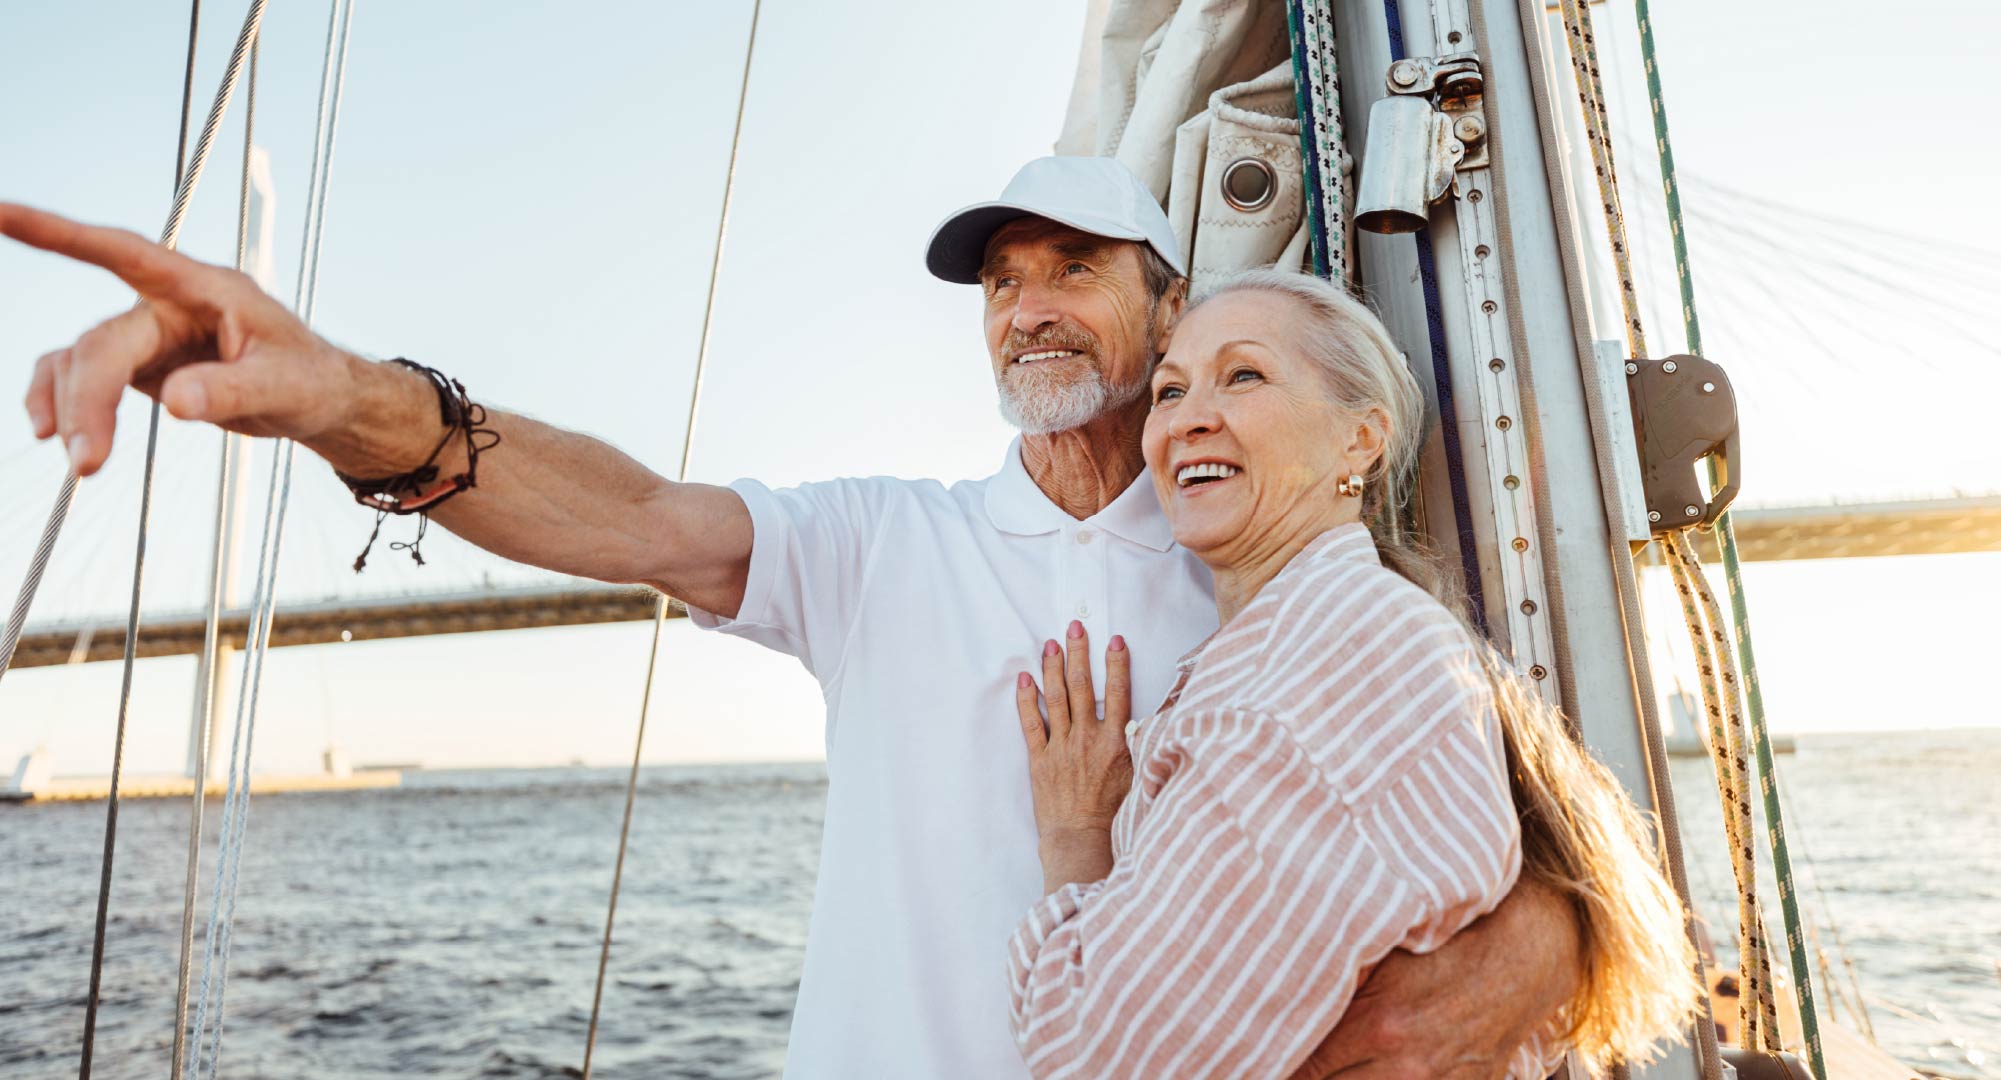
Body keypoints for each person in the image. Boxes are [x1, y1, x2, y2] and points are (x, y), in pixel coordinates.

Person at [3, 157, 1584, 1078]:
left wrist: (1545, 939)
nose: (1027, 305)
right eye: (998, 283)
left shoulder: (1278, 584)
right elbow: (628, 517)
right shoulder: (888, 544)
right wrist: (360, 403)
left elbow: (1499, 830)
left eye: (1074, 268)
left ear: (1167, 305)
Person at [1007, 270, 1702, 1078]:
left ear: (1360, 439)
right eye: (1168, 392)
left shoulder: (1299, 683)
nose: (1186, 420)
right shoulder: (1344, 636)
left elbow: (1091, 1053)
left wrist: (1074, 836)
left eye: (1243, 375)